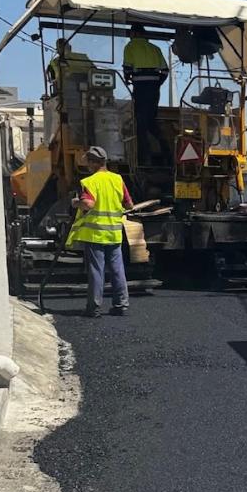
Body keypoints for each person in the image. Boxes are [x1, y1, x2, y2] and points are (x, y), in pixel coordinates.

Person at [67, 146, 135, 317]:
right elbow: (129, 205)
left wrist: (76, 203)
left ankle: (94, 307)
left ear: (93, 163)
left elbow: (88, 204)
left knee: (97, 271)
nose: (87, 166)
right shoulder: (117, 179)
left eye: (88, 162)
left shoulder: (90, 182)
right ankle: (121, 305)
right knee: (117, 269)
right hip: (114, 233)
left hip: (96, 235)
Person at [123, 23, 171, 165]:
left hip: (140, 88)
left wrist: (128, 79)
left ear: (134, 34)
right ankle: (167, 152)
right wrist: (157, 83)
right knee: (151, 121)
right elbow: (165, 71)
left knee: (140, 123)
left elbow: (127, 69)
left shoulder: (130, 47)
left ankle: (144, 158)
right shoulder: (155, 49)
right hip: (154, 89)